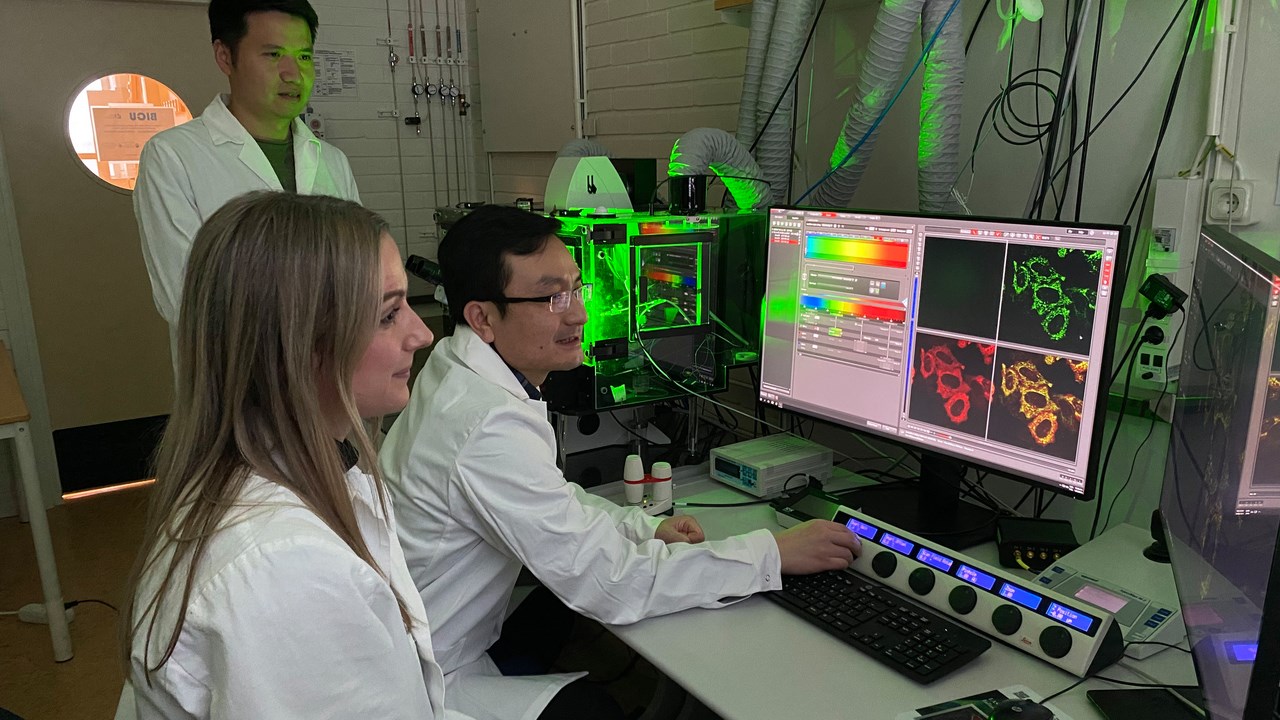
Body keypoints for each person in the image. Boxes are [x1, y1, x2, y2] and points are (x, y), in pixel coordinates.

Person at [380, 204, 863, 720]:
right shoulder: (485, 425)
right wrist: (770, 554)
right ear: (483, 317)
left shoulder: (457, 370)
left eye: (577, 287)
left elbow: (555, 499)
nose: (579, 315)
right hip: (427, 675)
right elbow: (611, 585)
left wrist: (643, 528)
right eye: (551, 297)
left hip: (433, 630)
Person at [121, 192, 456, 719]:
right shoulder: (285, 566)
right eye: (389, 314)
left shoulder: (286, 471)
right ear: (300, 346)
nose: (421, 333)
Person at [134, 0, 360, 358]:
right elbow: (184, 296)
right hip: (236, 382)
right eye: (273, 55)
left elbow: (358, 272)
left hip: (331, 374)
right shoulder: (173, 156)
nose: (293, 74)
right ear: (225, 57)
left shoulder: (332, 162)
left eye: (303, 56)